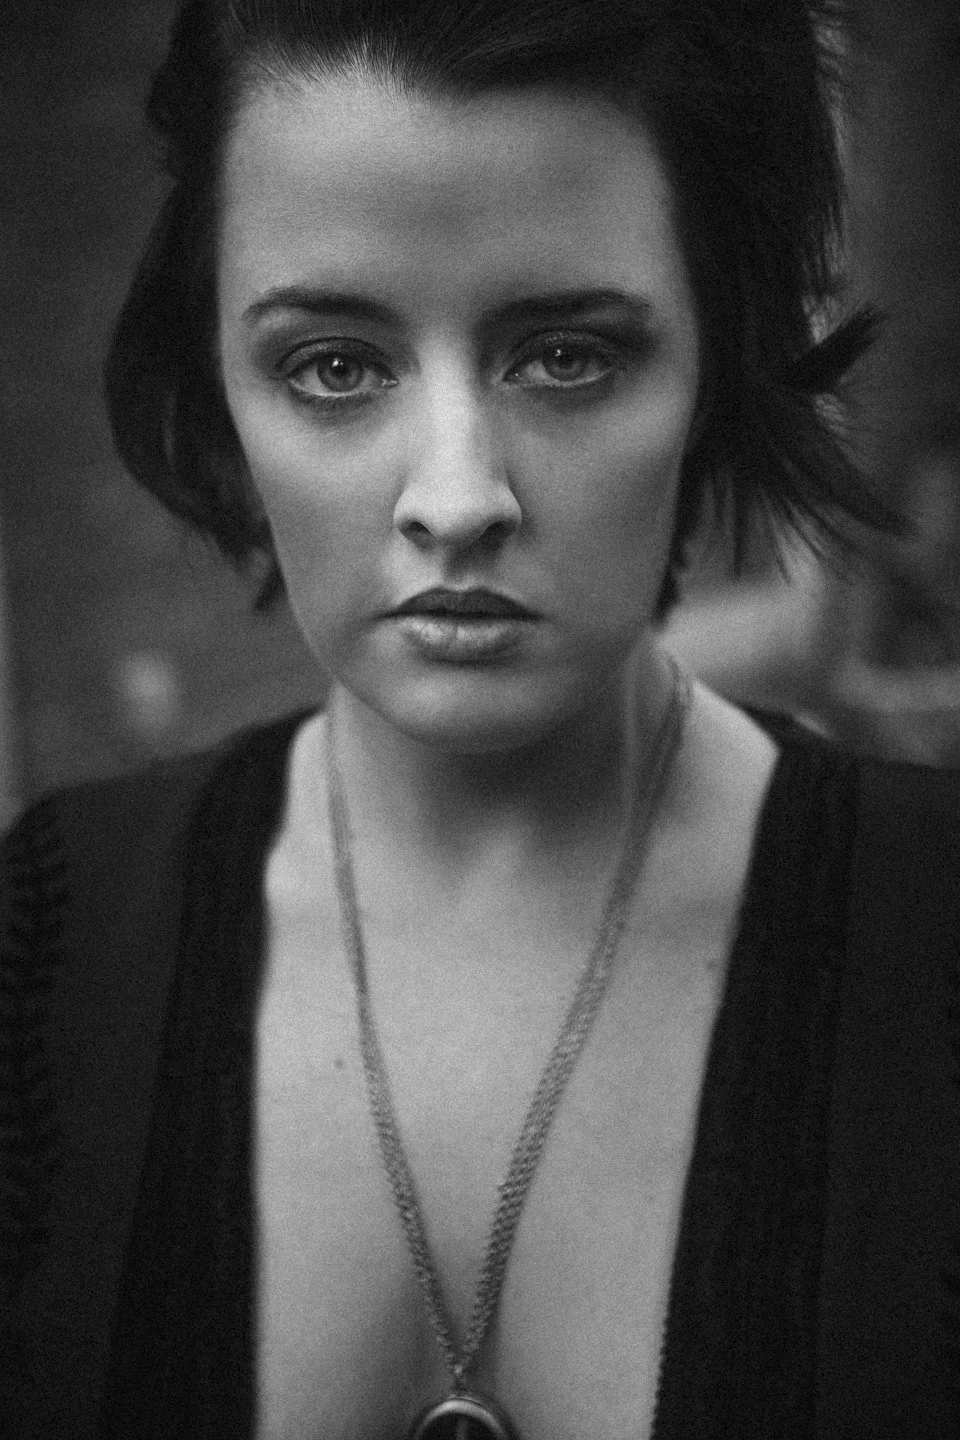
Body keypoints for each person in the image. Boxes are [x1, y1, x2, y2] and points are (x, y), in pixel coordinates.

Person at [1, 1, 958, 1437]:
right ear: (217, 377)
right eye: (334, 365)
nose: (457, 499)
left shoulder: (934, 934)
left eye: (567, 355)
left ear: (719, 357)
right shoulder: (49, 953)